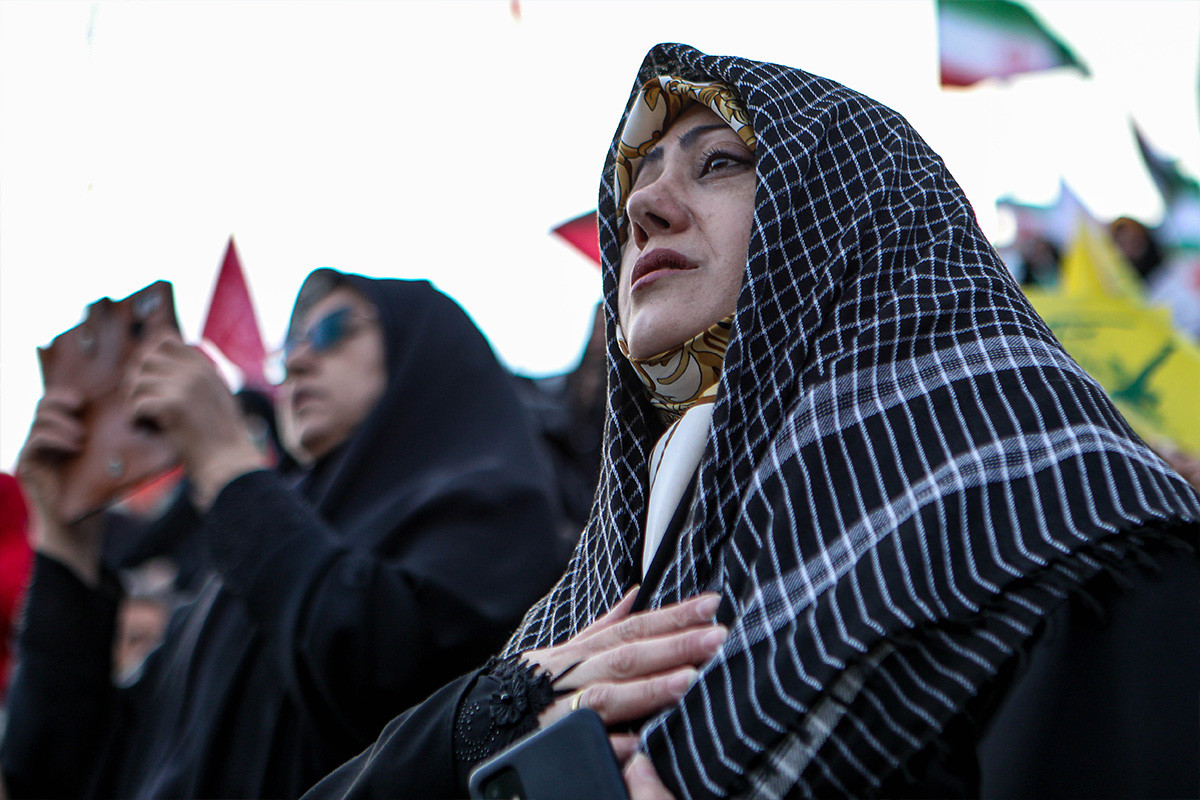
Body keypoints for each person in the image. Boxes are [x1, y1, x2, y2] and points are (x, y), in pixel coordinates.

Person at [311, 43, 1200, 799]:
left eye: (719, 163)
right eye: (640, 176)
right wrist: (470, 726)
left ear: (849, 211)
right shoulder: (578, 620)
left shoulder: (1072, 539)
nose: (643, 206)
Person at [3, 269, 570, 798]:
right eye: (287, 347)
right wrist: (66, 547)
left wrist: (226, 463)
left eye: (332, 330)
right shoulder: (243, 564)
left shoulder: (498, 506)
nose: (296, 361)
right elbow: (62, 773)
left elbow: (390, 682)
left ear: (425, 348)